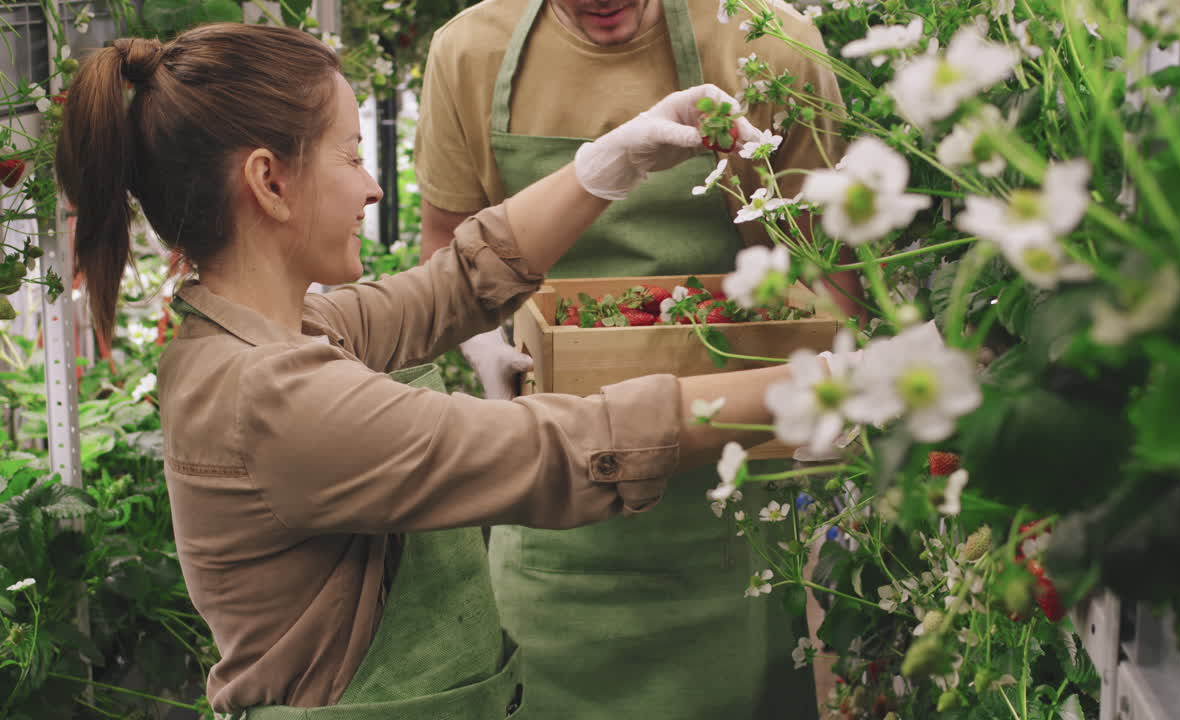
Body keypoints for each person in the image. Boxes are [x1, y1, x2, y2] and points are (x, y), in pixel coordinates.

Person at [53, 23, 832, 718]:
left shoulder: (267, 334)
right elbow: (562, 445)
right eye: (352, 156)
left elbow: (448, 287)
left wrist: (612, 163)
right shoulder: (273, 396)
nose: (373, 185)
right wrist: (826, 384)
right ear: (269, 181)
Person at [414, 0, 850, 717]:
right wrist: (483, 344)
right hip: (553, 489)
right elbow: (445, 242)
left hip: (732, 498)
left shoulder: (770, 45)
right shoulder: (470, 52)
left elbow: (826, 272)